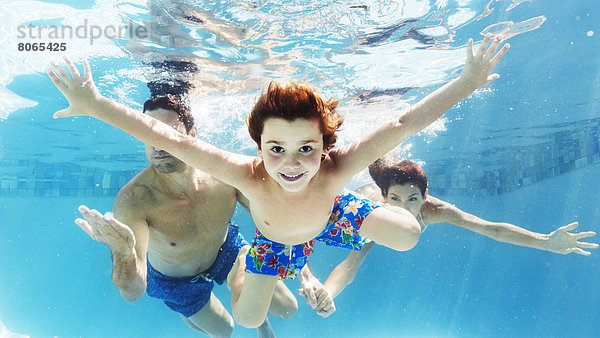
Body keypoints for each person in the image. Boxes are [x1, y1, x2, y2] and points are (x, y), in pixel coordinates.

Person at [47, 35, 509, 328]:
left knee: (408, 235)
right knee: (248, 322)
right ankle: (277, 258)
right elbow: (157, 133)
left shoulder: (335, 167)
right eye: (277, 150)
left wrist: (466, 82)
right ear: (258, 144)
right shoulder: (240, 173)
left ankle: (355, 205)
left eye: (306, 149)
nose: (291, 164)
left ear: (325, 147)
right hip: (274, 243)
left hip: (328, 214)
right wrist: (95, 103)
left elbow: (405, 122)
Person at [73, 94, 297, 337]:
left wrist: (307, 276)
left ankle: (256, 314)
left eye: (168, 133)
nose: (158, 144)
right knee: (224, 330)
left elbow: (275, 222)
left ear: (193, 133)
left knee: (287, 308)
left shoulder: (225, 173)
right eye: (148, 134)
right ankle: (191, 309)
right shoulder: (135, 198)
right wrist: (123, 252)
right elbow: (133, 293)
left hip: (226, 250)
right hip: (175, 280)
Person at [298, 156, 599, 317]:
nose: (404, 210)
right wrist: (326, 293)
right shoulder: (372, 212)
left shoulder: (435, 210)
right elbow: (351, 263)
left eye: (413, 200)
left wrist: (545, 241)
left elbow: (489, 228)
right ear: (385, 197)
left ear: (425, 196)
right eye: (396, 201)